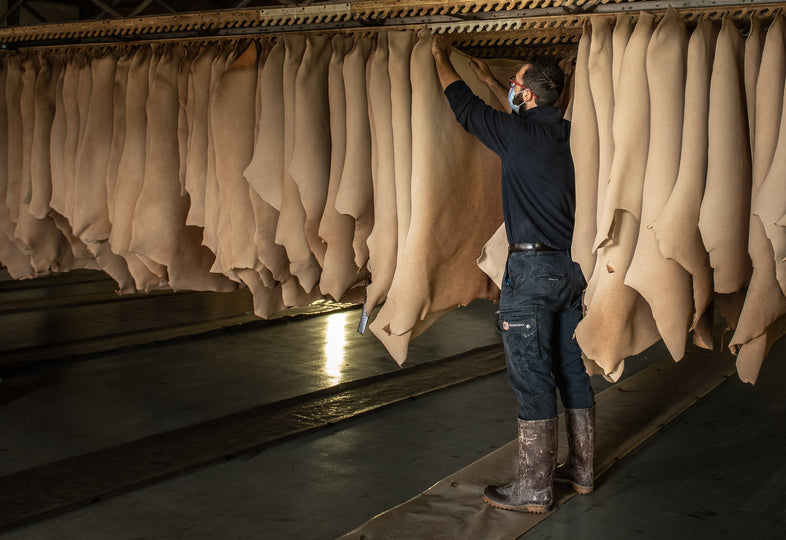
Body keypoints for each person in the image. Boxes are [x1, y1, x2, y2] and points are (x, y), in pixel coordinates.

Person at [431, 35, 596, 513]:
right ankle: (581, 470)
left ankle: (534, 487)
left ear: (525, 97)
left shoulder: (517, 134)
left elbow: (461, 106)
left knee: (531, 375)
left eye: (513, 84)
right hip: (569, 270)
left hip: (530, 272)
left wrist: (440, 57)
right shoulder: (563, 133)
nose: (508, 88)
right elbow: (521, 112)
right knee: (570, 368)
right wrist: (494, 81)